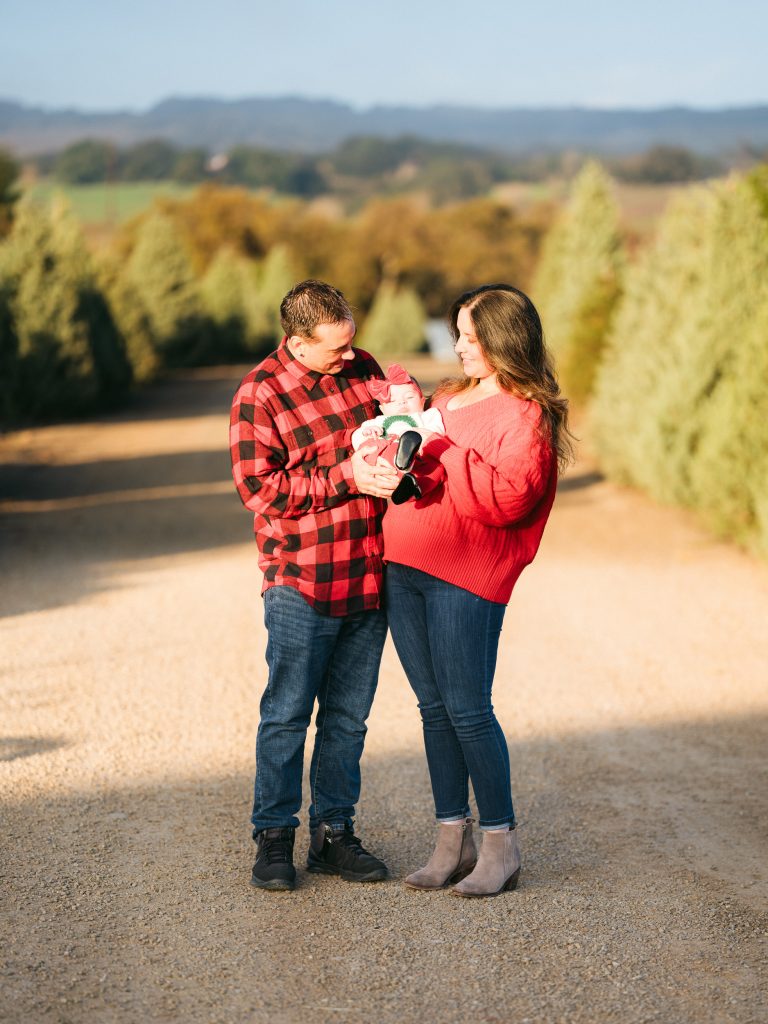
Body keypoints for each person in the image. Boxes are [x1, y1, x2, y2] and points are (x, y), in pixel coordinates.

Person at [383, 283, 573, 898]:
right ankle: (451, 838)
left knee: (467, 709)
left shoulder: (526, 415)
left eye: (471, 335)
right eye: (458, 332)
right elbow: (414, 470)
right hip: (404, 563)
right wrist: (405, 427)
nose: (459, 345)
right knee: (433, 710)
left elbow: (509, 497)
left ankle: (500, 842)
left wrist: (441, 444)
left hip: (465, 576)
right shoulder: (450, 398)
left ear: (504, 340)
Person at [229, 279, 401, 892]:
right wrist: (347, 476)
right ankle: (274, 838)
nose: (349, 357)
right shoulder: (260, 394)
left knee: (349, 719)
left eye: (351, 341)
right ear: (297, 344)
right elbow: (260, 490)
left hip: (369, 571)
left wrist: (407, 421)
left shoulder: (363, 368)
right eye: (334, 350)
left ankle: (334, 834)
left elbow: (396, 430)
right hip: (300, 577)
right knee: (286, 714)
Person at [351, 363, 445, 504]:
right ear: (382, 409)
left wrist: (421, 434)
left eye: (409, 398)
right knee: (373, 448)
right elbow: (357, 436)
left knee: (437, 471)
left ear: (422, 401)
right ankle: (402, 467)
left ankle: (409, 484)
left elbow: (438, 430)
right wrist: (369, 432)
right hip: (386, 460)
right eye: (393, 401)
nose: (402, 403)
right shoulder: (379, 421)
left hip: (418, 459)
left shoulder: (426, 416)